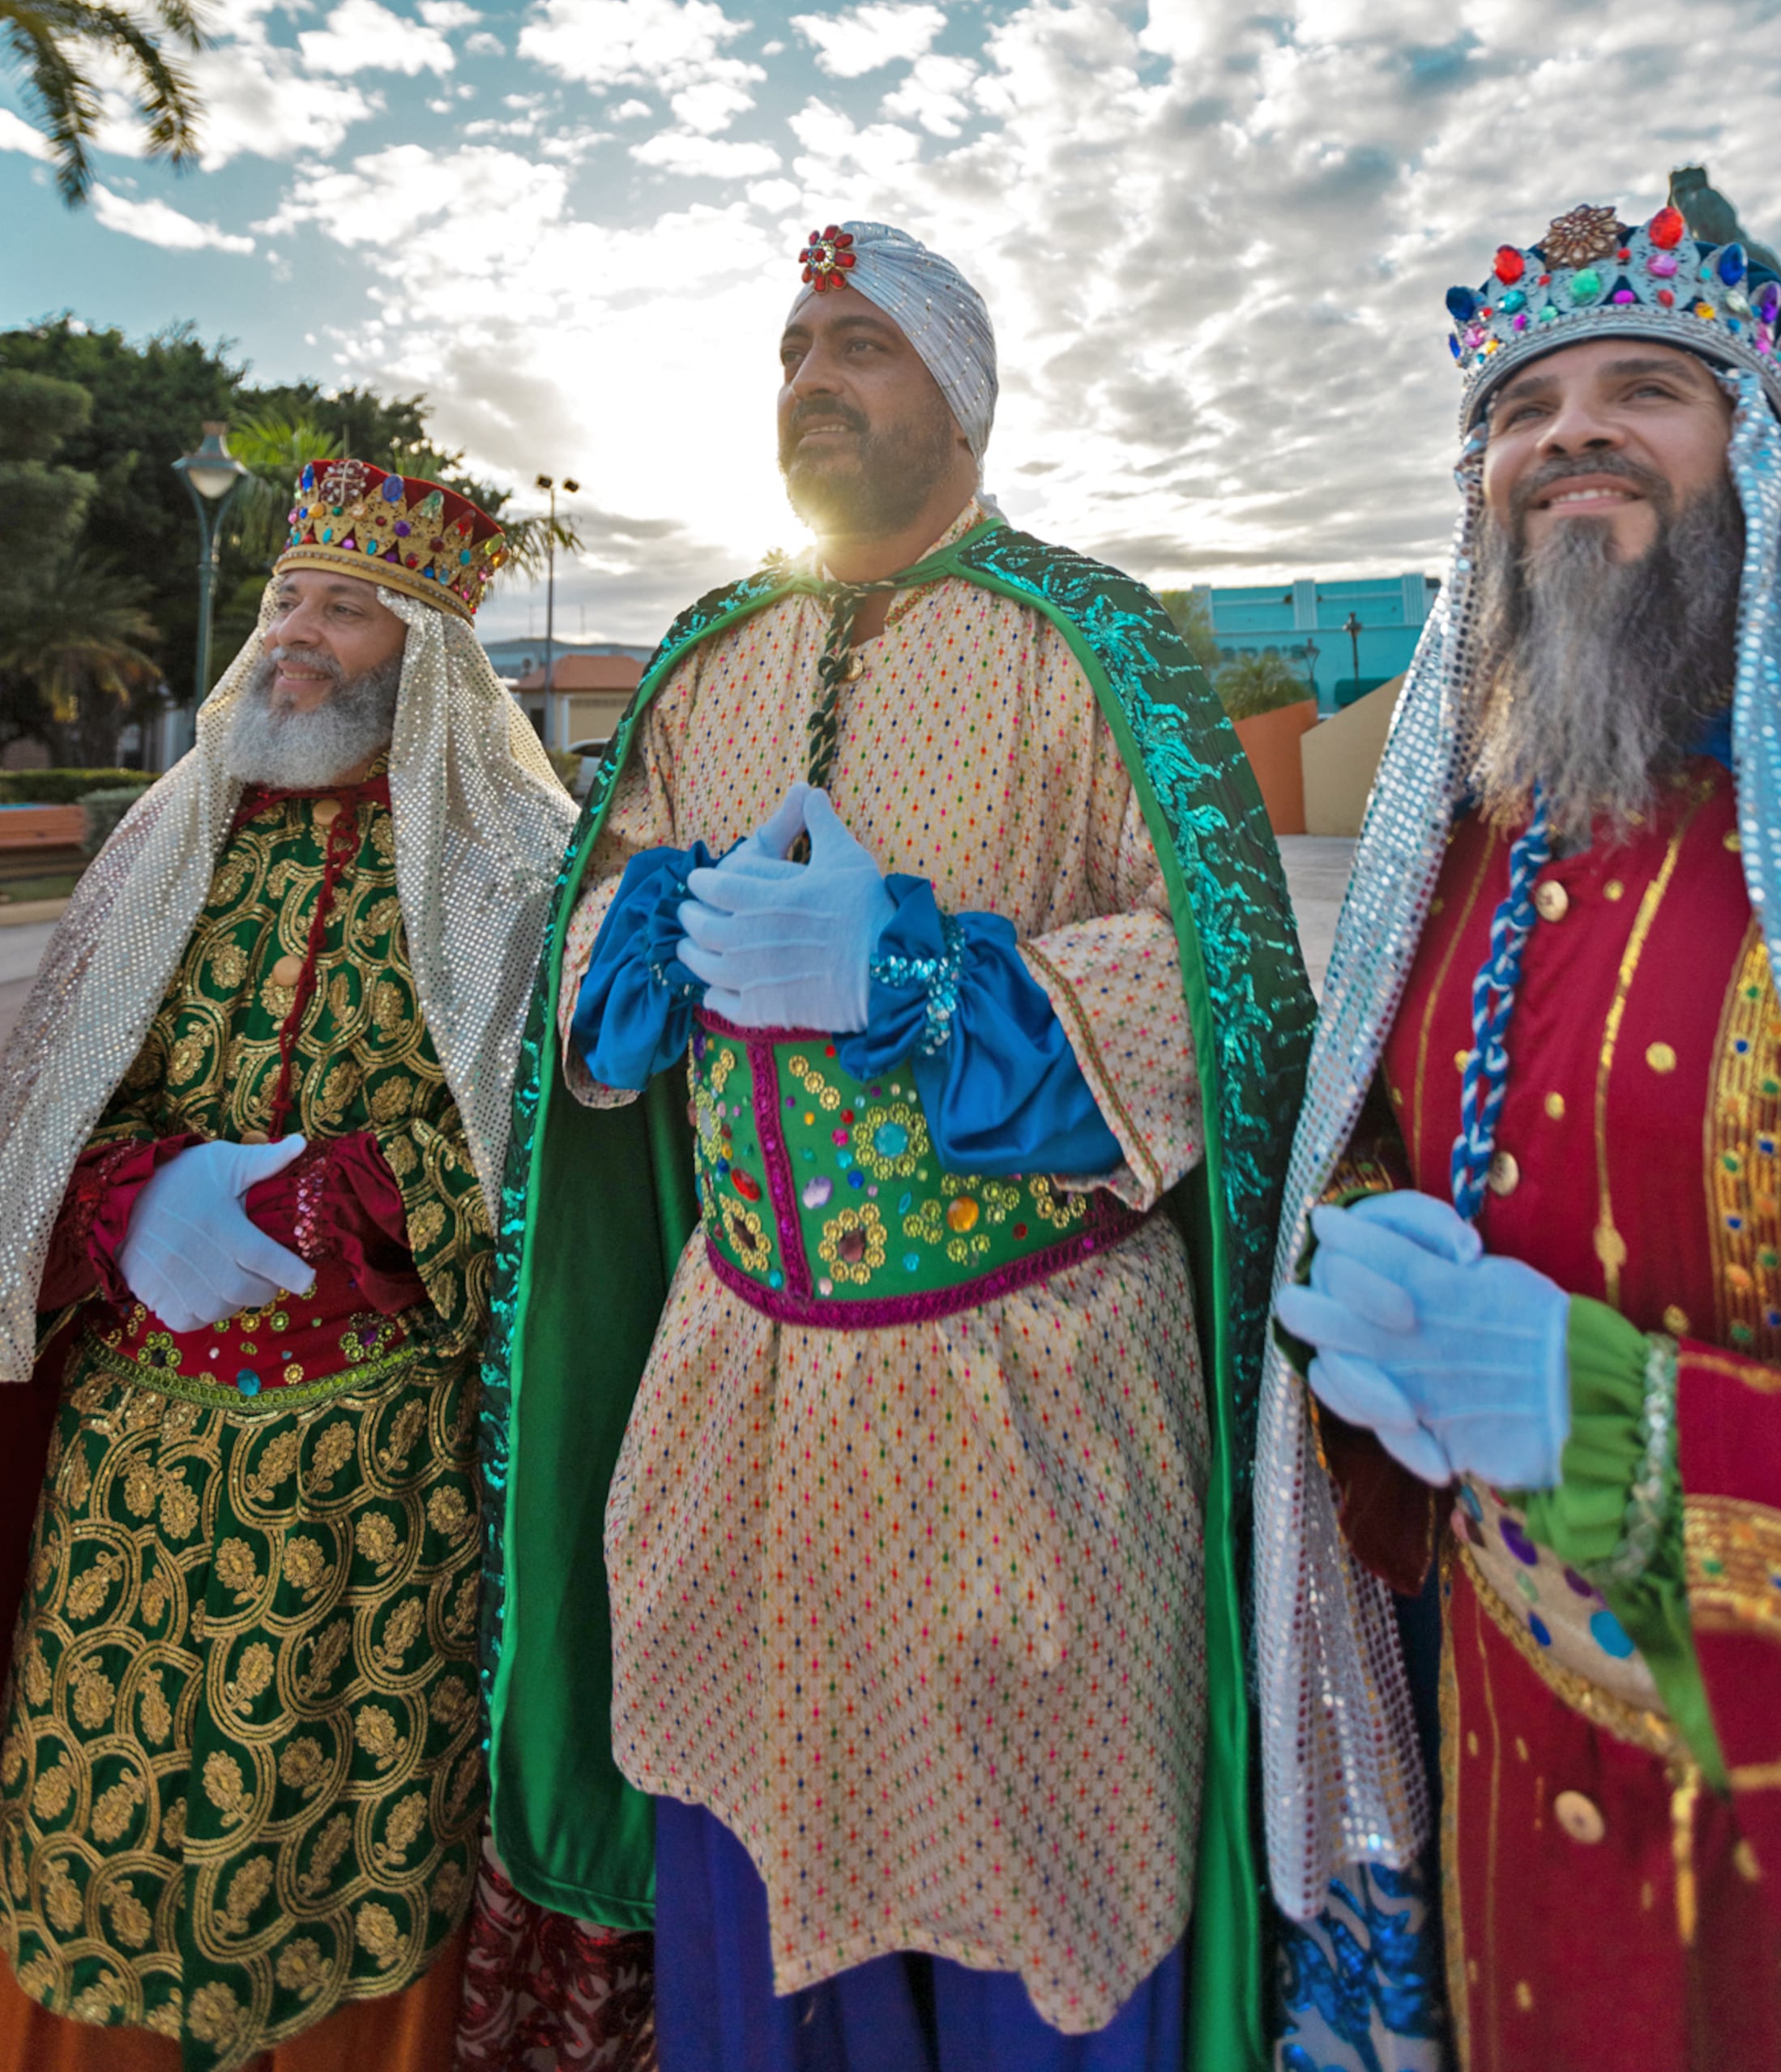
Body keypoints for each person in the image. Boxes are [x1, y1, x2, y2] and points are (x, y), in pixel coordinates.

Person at [483, 220, 1314, 2072]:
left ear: (962, 393)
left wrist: (915, 976)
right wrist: (660, 925)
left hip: (1021, 1416)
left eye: (856, 342)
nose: (809, 378)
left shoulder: (1089, 643)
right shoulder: (705, 657)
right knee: (754, 1913)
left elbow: (1220, 1000)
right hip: (732, 1401)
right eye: (791, 348)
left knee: (1039, 1925)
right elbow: (592, 994)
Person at [1254, 188, 1781, 2072]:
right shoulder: (1453, 862)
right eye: (1521, 405)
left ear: (1761, 462)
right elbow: (1377, 1136)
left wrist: (1627, 1439)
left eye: (1643, 388)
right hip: (1509, 1810)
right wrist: (1350, 1255)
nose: (1568, 430)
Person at [0, 459, 626, 2072]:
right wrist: (125, 1203)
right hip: (130, 1486)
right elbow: (37, 1128)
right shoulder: (160, 850)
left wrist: (330, 1205)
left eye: (345, 606)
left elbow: (568, 1172)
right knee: (93, 1849)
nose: (295, 638)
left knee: (346, 1867)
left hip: (380, 1496)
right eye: (281, 602)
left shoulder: (524, 865)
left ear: (430, 649)